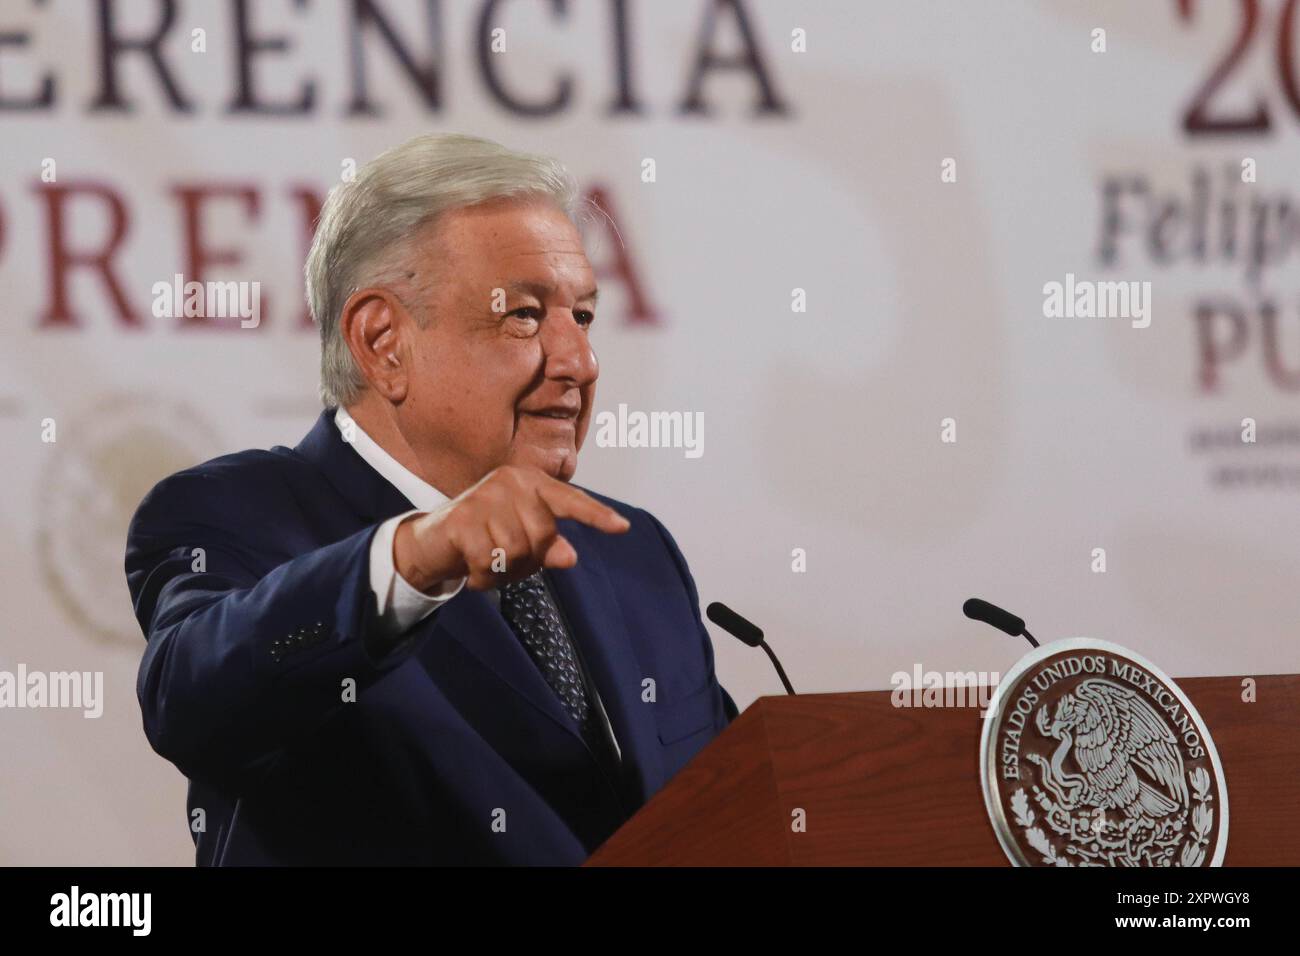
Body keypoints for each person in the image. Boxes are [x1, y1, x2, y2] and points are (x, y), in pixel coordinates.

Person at [124, 133, 738, 865]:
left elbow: (730, 809)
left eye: (582, 317)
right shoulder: (237, 512)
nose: (579, 361)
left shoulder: (631, 550)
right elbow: (195, 701)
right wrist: (415, 560)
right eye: (524, 315)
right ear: (383, 342)